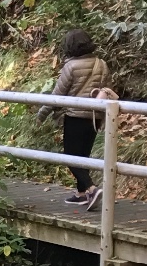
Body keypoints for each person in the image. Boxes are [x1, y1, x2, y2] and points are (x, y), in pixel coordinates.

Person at [40, 29, 110, 207]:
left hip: (75, 115)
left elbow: (58, 95)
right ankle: (81, 193)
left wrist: (42, 114)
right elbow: (107, 89)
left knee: (70, 156)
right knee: (83, 156)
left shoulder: (71, 67)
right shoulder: (101, 64)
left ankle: (92, 189)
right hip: (95, 116)